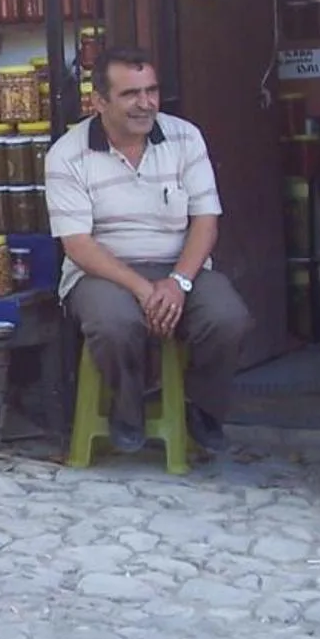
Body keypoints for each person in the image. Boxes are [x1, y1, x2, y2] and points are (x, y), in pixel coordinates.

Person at [46, 46, 254, 455]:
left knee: (228, 318)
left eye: (151, 91)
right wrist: (143, 290)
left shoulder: (184, 137)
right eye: (130, 94)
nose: (146, 104)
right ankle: (128, 408)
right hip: (102, 273)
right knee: (115, 324)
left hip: (179, 267)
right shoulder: (67, 154)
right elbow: (78, 245)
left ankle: (202, 408)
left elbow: (206, 222)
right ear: (99, 101)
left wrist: (177, 283)